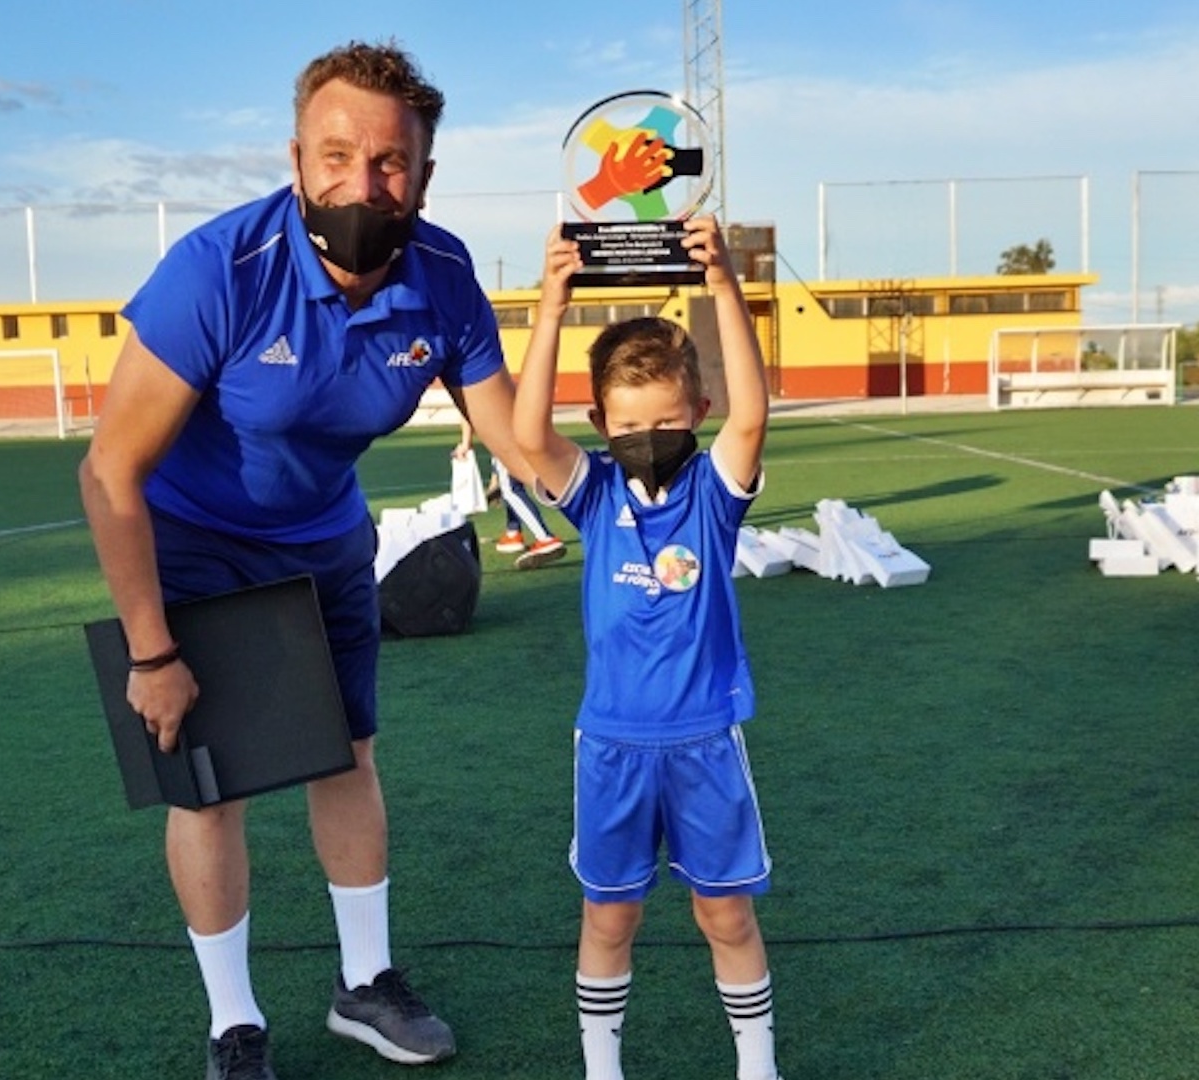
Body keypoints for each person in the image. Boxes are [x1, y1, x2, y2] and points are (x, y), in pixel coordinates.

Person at [79, 40, 530, 1080]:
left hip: (326, 540)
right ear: (296, 159)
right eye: (337, 156)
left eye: (389, 162)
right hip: (195, 542)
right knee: (211, 790)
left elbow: (517, 441)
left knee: (348, 754)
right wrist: (152, 652)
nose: (362, 185)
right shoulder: (217, 270)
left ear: (422, 174)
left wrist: (639, 473)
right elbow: (108, 472)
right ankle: (234, 1025)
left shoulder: (445, 275)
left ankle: (365, 985)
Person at [511, 218, 782, 1080]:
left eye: (668, 420)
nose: (651, 437)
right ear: (601, 422)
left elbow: (754, 413)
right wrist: (551, 306)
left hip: (706, 741)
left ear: (697, 413)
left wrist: (723, 286)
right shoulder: (595, 494)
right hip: (612, 744)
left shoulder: (713, 493)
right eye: (630, 424)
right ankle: (603, 1068)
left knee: (726, 914)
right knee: (610, 917)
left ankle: (758, 1066)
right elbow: (527, 435)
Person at [454, 418, 566, 569]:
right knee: (509, 483)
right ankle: (513, 532)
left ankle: (545, 538)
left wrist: (466, 443)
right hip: (516, 429)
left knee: (511, 490)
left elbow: (467, 411)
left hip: (505, 434)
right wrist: (495, 477)